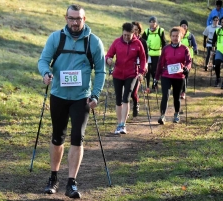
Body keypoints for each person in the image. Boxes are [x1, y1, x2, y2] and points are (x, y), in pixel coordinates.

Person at [38, 4, 105, 199]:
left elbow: (100, 71)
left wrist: (96, 95)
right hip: (58, 95)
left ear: (85, 19)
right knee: (57, 137)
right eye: (71, 18)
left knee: (78, 137)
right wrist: (46, 73)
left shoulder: (94, 42)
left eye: (79, 19)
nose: (75, 22)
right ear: (66, 18)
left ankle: (71, 182)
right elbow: (43, 60)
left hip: (81, 97)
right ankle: (53, 178)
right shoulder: (55, 38)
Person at [105, 22, 146, 134]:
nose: (126, 37)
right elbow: (109, 54)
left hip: (131, 74)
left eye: (129, 35)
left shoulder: (138, 44)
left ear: (134, 34)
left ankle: (123, 124)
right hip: (117, 74)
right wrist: (108, 59)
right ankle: (119, 123)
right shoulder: (117, 42)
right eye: (125, 35)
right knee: (118, 99)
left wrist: (141, 72)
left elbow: (143, 59)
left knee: (126, 97)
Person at [153, 26, 192, 124]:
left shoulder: (184, 49)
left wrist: (187, 68)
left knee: (176, 96)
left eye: (177, 36)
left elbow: (189, 61)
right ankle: (162, 116)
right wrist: (156, 78)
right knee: (165, 96)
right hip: (166, 75)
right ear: (170, 37)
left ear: (181, 37)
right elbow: (160, 63)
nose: (175, 38)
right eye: (173, 36)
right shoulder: (166, 49)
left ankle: (176, 114)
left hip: (179, 76)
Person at [142, 16, 167, 93]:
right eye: (151, 22)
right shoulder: (146, 31)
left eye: (154, 22)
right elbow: (142, 42)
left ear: (156, 23)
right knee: (148, 70)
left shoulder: (160, 31)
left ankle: (155, 84)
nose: (152, 24)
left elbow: (164, 43)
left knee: (155, 70)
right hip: (148, 54)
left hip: (157, 54)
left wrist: (164, 53)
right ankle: (147, 87)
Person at [131, 21, 148, 117]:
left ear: (139, 31)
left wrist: (145, 67)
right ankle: (126, 109)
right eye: (133, 30)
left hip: (139, 69)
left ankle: (136, 103)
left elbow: (146, 57)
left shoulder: (143, 42)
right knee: (127, 92)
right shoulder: (128, 41)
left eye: (136, 30)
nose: (134, 32)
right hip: (129, 68)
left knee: (134, 92)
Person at [179, 20, 198, 99]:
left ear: (187, 27)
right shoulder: (178, 34)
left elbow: (195, 45)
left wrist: (195, 50)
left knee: (185, 74)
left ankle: (183, 92)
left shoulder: (190, 36)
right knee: (179, 75)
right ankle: (179, 90)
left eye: (185, 25)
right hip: (179, 57)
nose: (183, 27)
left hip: (188, 58)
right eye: (182, 25)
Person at [211, 16, 223, 89]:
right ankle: (218, 78)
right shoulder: (217, 30)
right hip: (219, 51)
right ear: (220, 23)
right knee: (217, 63)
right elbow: (213, 41)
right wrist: (213, 50)